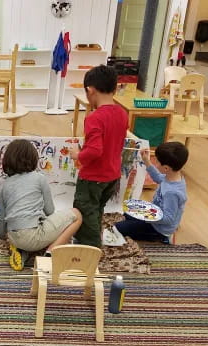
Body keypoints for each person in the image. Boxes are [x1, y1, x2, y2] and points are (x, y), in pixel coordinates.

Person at [0, 139, 82, 271]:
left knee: (32, 233)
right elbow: (50, 211)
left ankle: (23, 252)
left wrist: (2, 236)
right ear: (33, 158)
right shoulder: (39, 178)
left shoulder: (6, 184)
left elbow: (2, 216)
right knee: (76, 214)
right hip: (33, 236)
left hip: (13, 236)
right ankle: (49, 254)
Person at [69, 65, 128, 248]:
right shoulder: (122, 113)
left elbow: (94, 150)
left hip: (93, 177)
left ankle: (91, 248)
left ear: (90, 90)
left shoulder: (94, 118)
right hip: (112, 175)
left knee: (86, 212)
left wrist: (78, 155)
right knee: (96, 209)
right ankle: (91, 239)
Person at [115, 142, 188, 243]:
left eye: (157, 162)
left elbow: (169, 219)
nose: (155, 163)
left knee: (119, 227)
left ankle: (161, 238)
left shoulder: (172, 192)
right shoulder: (171, 177)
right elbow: (157, 177)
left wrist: (146, 217)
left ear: (166, 168)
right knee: (127, 212)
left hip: (158, 229)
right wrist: (146, 160)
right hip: (153, 217)